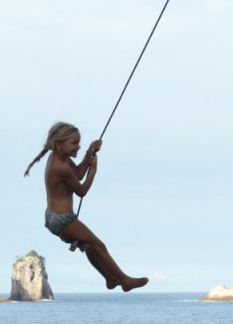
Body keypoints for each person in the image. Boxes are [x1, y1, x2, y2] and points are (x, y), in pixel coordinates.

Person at [24, 122, 148, 292]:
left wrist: (89, 153)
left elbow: (78, 174)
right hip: (63, 219)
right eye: (74, 143)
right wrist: (94, 170)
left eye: (78, 143)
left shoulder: (61, 158)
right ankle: (125, 281)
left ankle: (110, 279)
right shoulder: (60, 167)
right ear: (59, 144)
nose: (77, 146)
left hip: (53, 217)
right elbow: (81, 190)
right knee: (98, 245)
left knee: (88, 246)